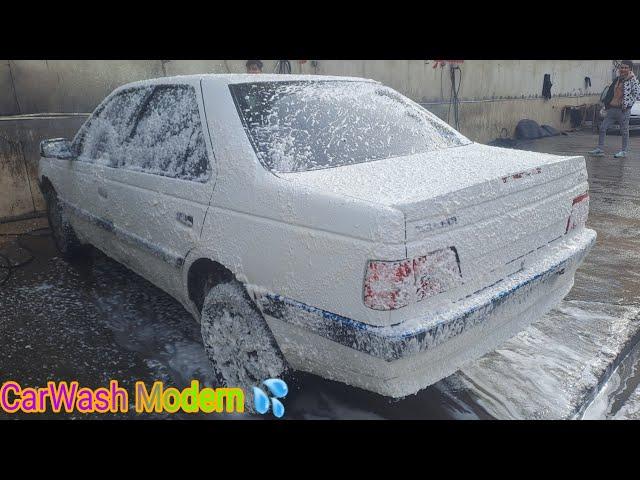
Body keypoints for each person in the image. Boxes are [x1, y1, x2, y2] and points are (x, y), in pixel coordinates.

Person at [589, 61, 640, 158]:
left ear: (630, 69)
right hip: (612, 109)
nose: (623, 69)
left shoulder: (633, 80)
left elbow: (636, 95)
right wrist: (606, 104)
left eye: (626, 68)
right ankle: (600, 149)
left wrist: (628, 105)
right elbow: (610, 92)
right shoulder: (617, 79)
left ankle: (624, 151)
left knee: (624, 131)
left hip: (623, 111)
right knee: (603, 128)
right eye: (622, 67)